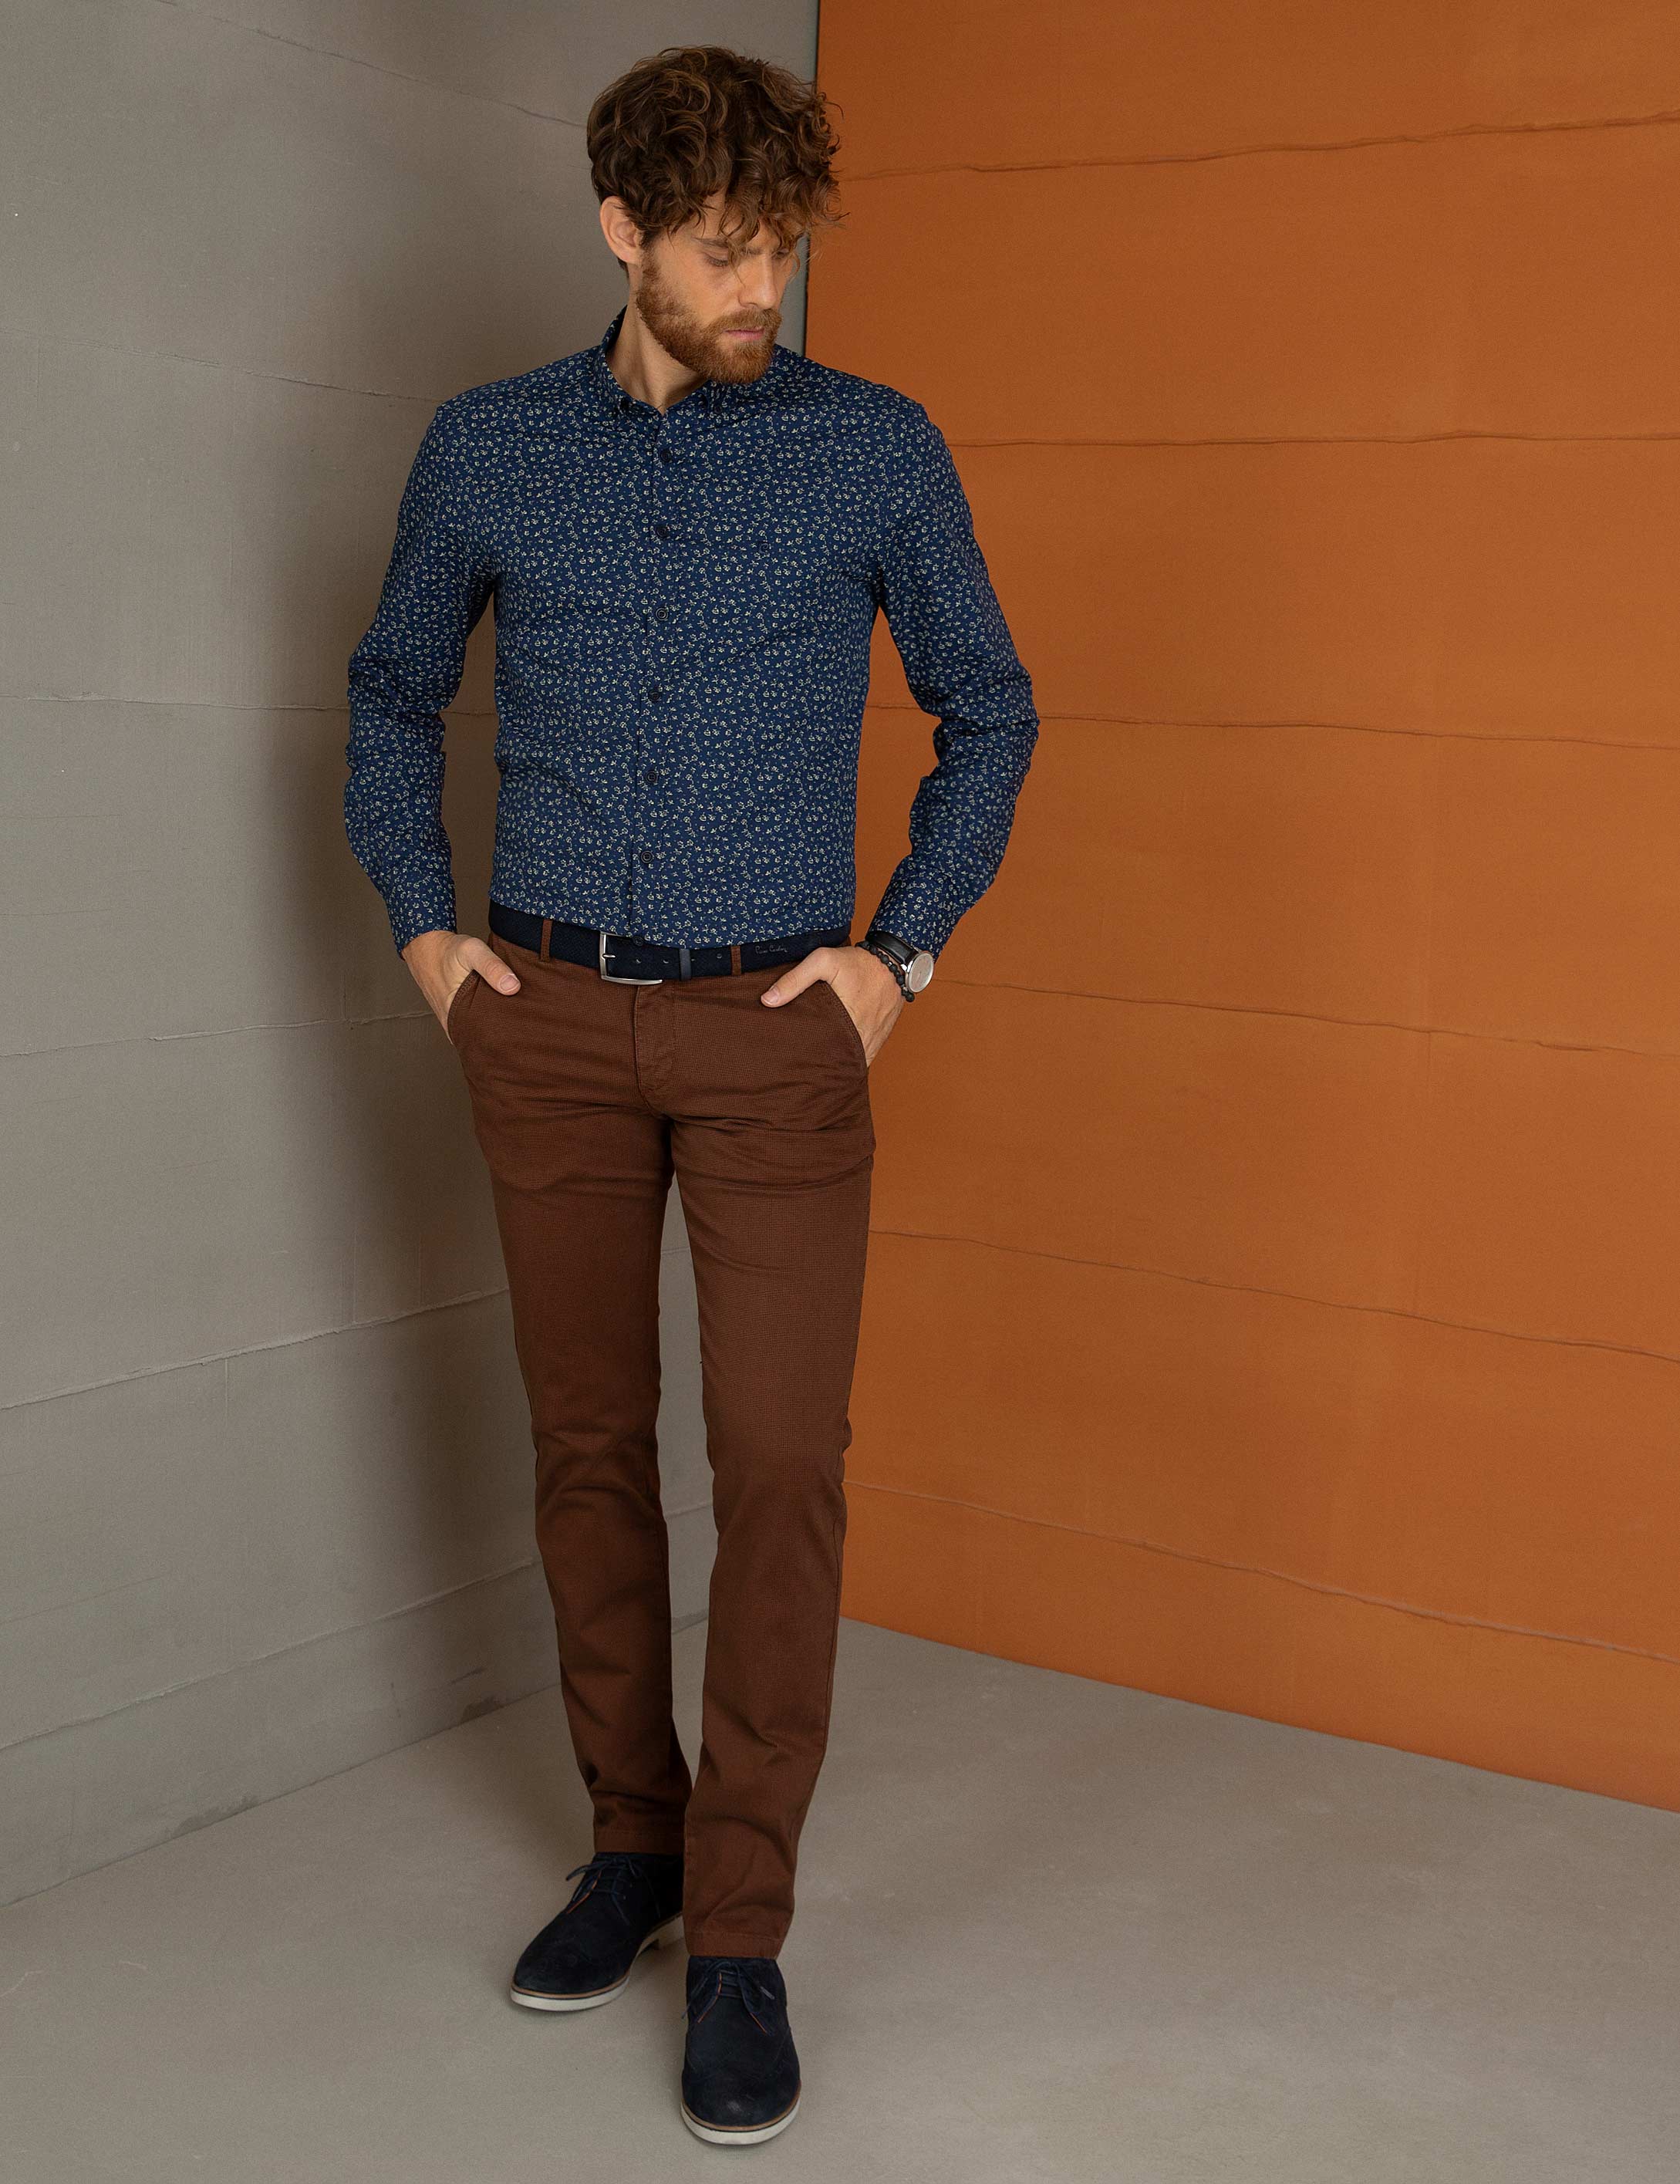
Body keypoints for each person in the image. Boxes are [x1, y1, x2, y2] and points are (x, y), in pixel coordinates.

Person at [342, 41, 1038, 2148]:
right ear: (622, 231)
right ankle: (629, 1849)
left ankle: (739, 1930)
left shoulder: (872, 449)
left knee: (780, 1467)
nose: (764, 291)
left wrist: (899, 957)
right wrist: (428, 939)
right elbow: (390, 695)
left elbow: (991, 709)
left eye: (783, 249)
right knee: (585, 1451)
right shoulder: (486, 449)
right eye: (727, 252)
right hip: (544, 1019)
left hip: (775, 1041)